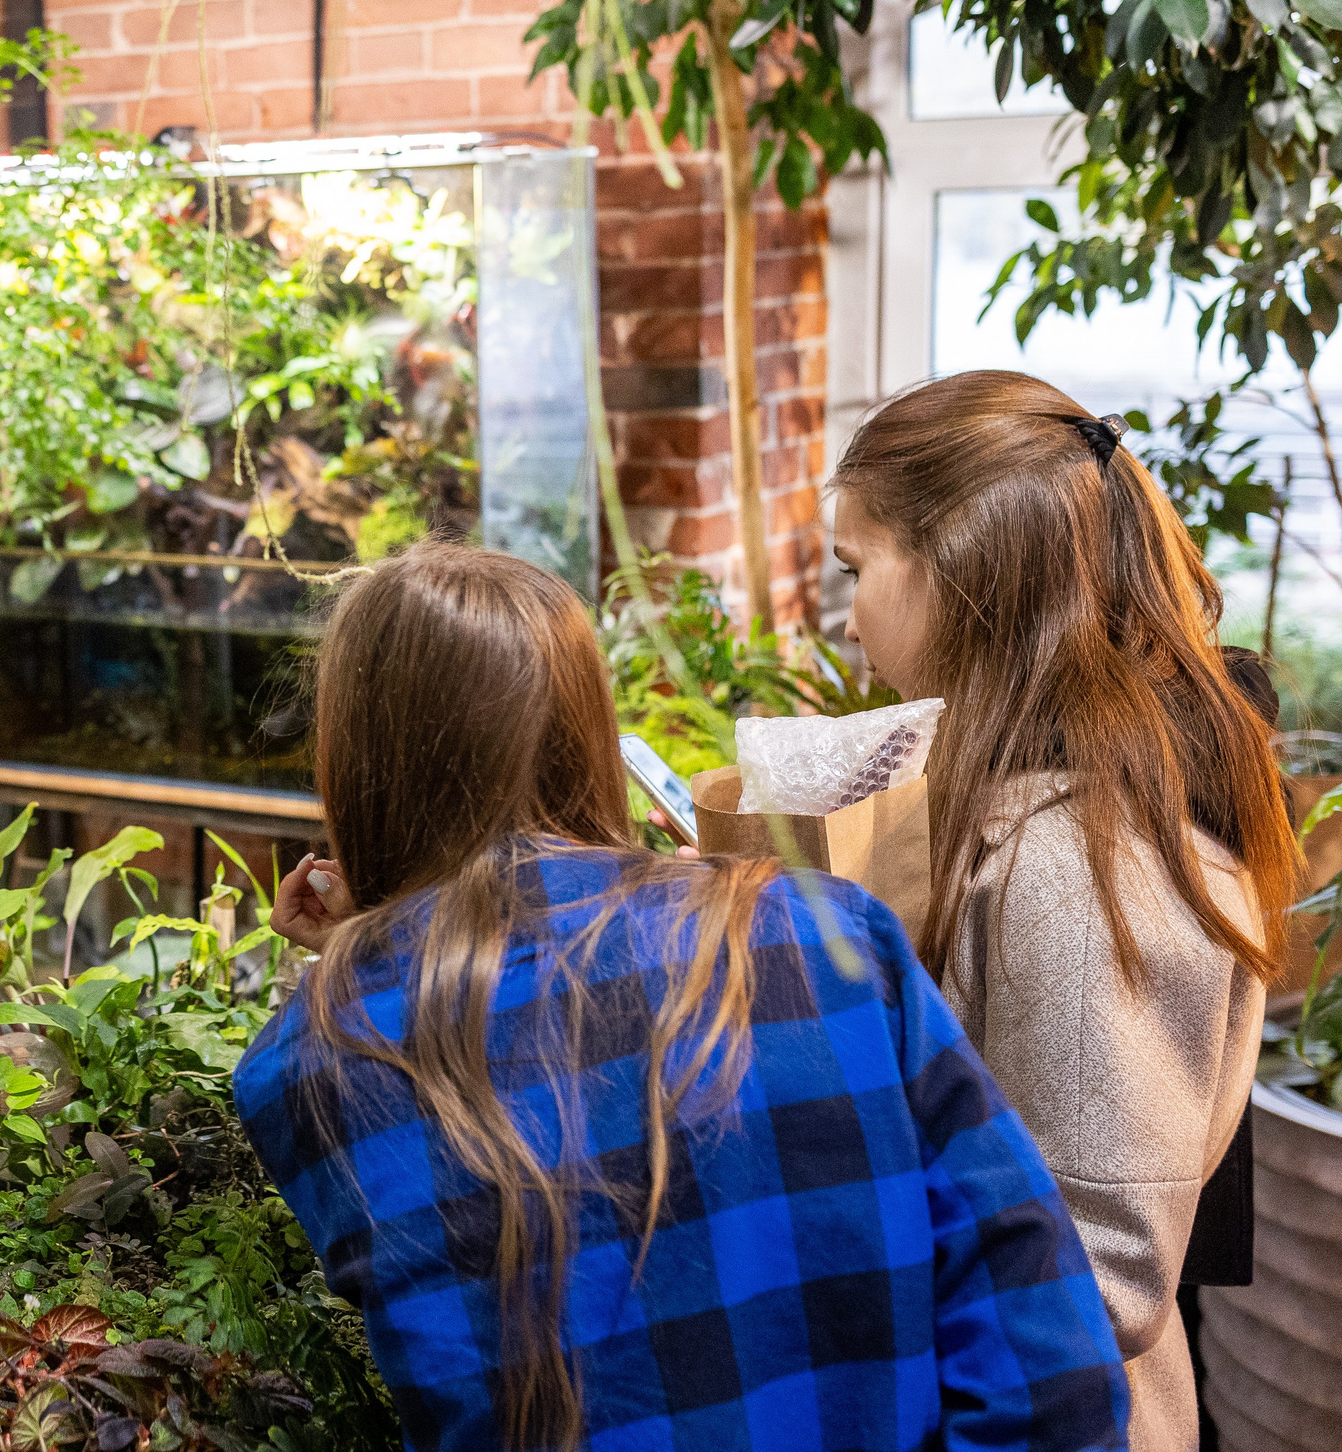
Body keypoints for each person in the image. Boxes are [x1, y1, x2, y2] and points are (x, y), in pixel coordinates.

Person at [239, 541, 1130, 1452]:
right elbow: (1049, 1364)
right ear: (587, 729)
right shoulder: (821, 933)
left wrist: (375, 947)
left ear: (356, 764)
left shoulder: (306, 1067)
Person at [828, 369, 1295, 1452]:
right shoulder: (1034, 812)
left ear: (961, 566)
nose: (844, 619)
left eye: (855, 569)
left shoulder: (1084, 864)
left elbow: (1100, 1274)